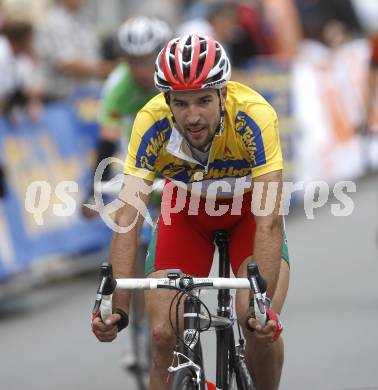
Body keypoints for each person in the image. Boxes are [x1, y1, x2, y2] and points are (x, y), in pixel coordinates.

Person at [92, 35, 290, 390]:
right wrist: (117, 308)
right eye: (181, 104)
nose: (193, 116)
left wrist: (261, 306)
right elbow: (128, 218)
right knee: (163, 333)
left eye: (203, 101)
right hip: (185, 214)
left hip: (249, 214)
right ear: (167, 100)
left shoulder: (255, 115)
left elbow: (269, 220)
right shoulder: (150, 121)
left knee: (255, 324)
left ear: (224, 95)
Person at [82, 15, 172, 216]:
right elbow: (108, 141)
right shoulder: (118, 84)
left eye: (148, 61)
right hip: (143, 149)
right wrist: (94, 192)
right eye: (133, 62)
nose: (141, 70)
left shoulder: (174, 76)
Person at [35, 0, 115, 101]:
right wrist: (107, 69)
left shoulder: (84, 18)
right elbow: (67, 63)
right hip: (61, 99)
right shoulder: (54, 21)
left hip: (88, 97)